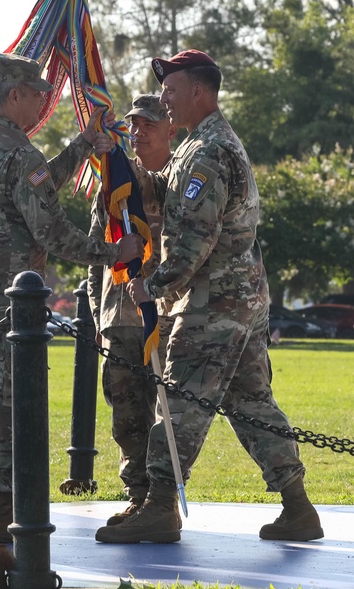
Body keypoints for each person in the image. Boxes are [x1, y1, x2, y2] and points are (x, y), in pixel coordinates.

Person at [96, 50, 323, 544]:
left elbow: (195, 239)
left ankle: (159, 508)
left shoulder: (208, 152)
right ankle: (299, 508)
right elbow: (174, 198)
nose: (164, 100)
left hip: (213, 305)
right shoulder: (201, 146)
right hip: (237, 302)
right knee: (252, 404)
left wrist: (152, 288)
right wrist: (121, 169)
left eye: (171, 91)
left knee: (177, 399)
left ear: (199, 92)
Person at [0, 52, 143, 544]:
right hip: (11, 306)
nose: (43, 102)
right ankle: (1, 511)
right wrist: (112, 250)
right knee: (10, 405)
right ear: (15, 95)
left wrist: (80, 147)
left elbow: (27, 192)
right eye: (38, 94)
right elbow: (52, 231)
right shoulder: (21, 153)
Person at [86, 94, 176, 527]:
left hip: (164, 317)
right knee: (126, 414)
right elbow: (95, 255)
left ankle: (162, 500)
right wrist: (96, 312)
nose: (139, 133)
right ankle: (137, 495)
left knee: (166, 414)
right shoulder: (114, 181)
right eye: (133, 126)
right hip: (119, 319)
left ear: (168, 129)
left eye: (148, 125)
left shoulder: (175, 179)